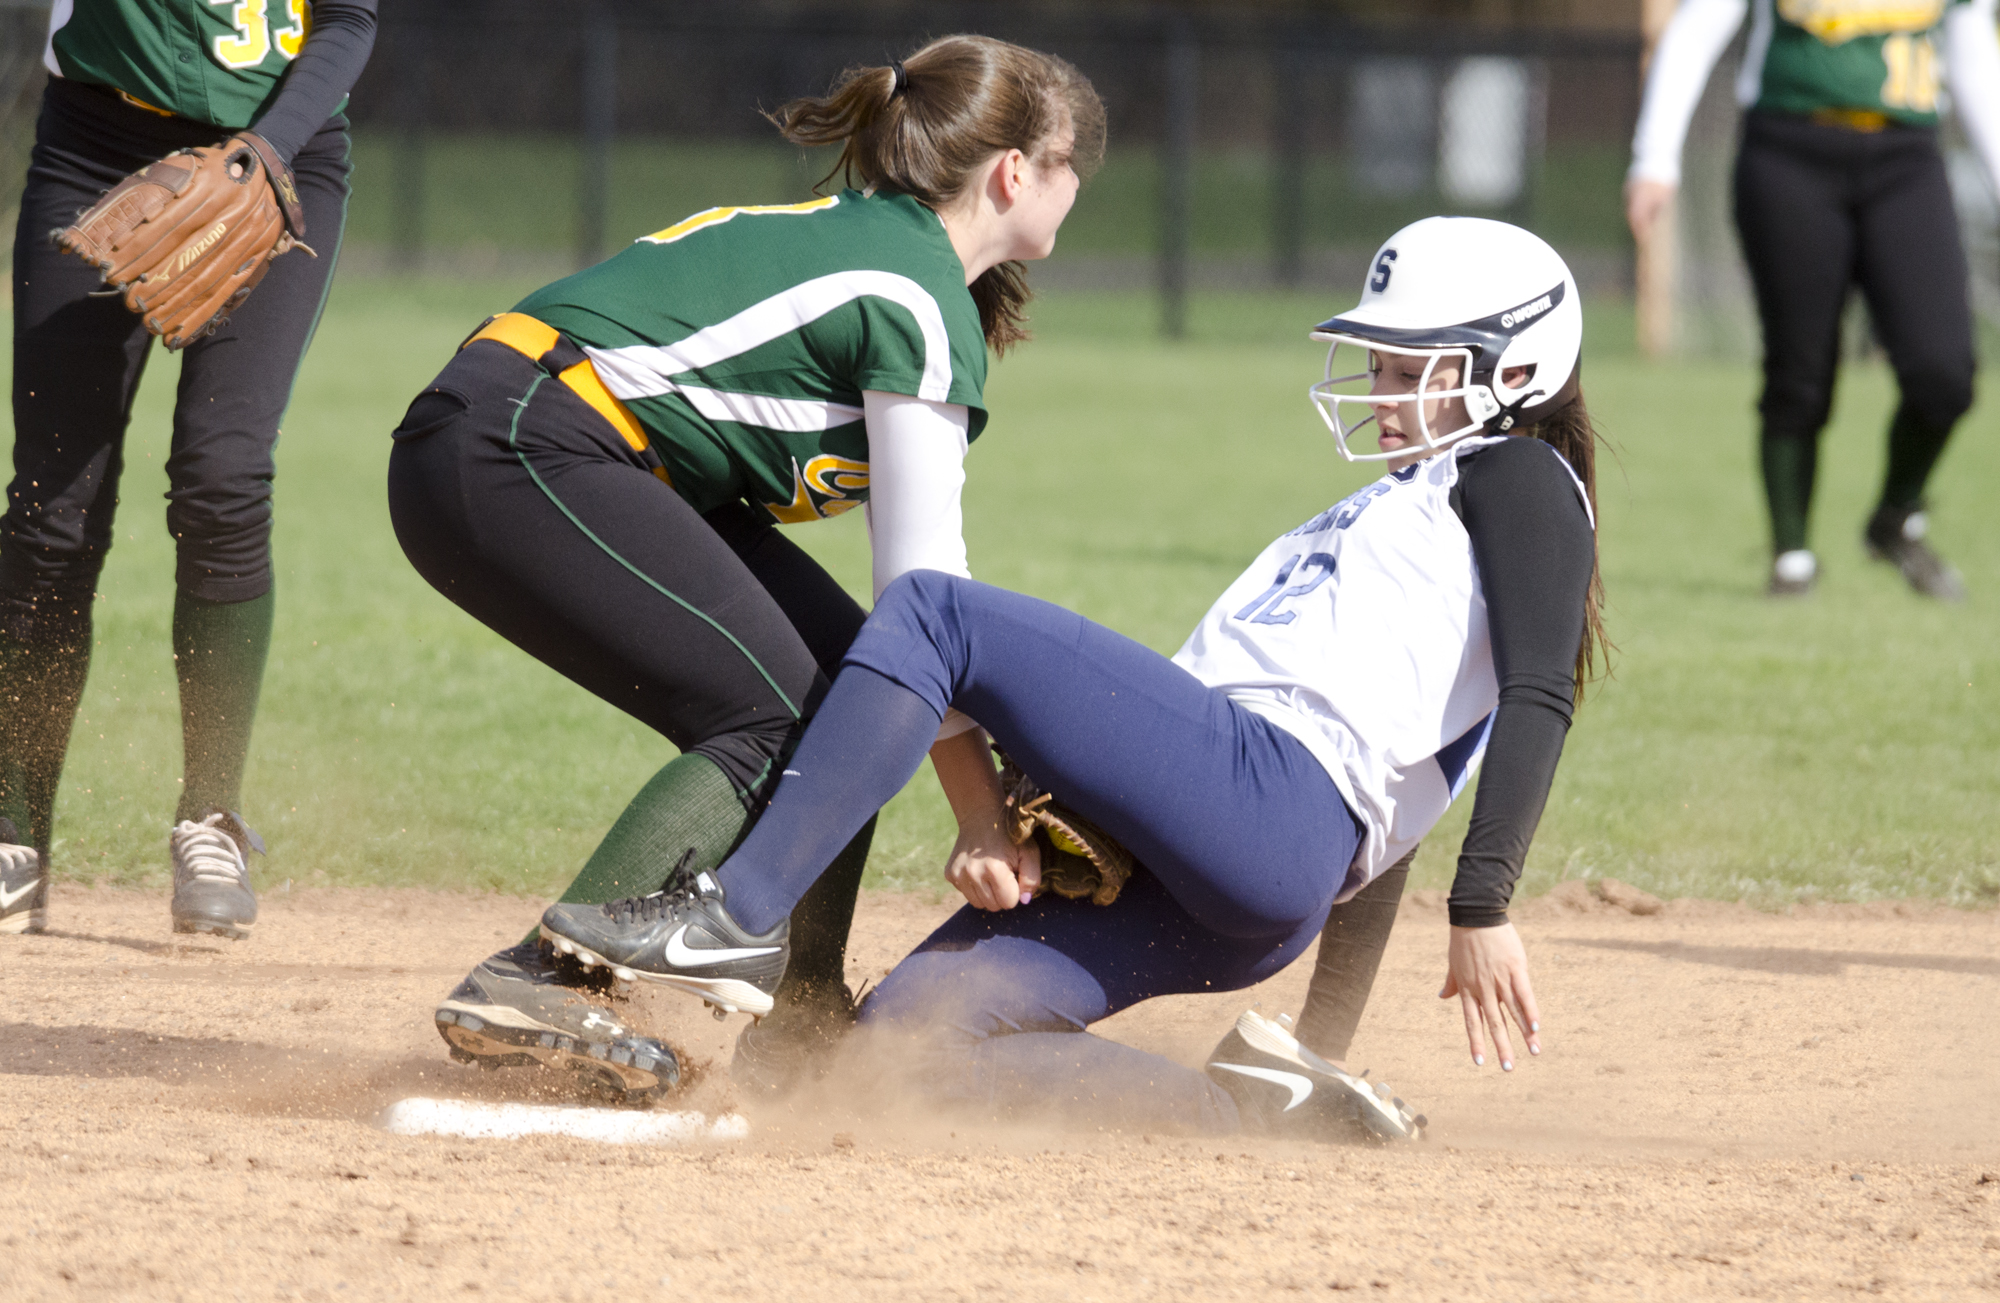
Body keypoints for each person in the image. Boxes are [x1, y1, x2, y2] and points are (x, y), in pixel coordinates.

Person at [536, 216, 1604, 1138]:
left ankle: (729, 919)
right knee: (903, 1045)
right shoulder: (1397, 508)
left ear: (1516, 372)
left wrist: (1483, 903)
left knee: (933, 613)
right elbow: (1385, 804)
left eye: (1415, 368)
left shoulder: (1519, 473)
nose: (1382, 388)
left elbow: (1537, 695)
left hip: (1264, 806)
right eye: (1380, 362)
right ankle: (1251, 1113)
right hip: (1243, 857)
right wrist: (1315, 1047)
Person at [389, 36, 1107, 1101]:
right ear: (1014, 173)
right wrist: (978, 809)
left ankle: (803, 1026)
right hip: (523, 443)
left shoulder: (881, 246)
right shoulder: (916, 294)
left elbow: (897, 650)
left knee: (852, 688)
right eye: (1069, 161)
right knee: (780, 713)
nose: (1078, 184)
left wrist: (972, 784)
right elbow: (926, 599)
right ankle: (541, 980)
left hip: (527, 439)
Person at [0, 0, 377, 938]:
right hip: (95, 144)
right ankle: (12, 830)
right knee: (52, 503)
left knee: (224, 476)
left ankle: (211, 819)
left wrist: (265, 151)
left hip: (278, 157)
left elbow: (348, 18)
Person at [1627, 0, 2000, 599]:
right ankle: (1792, 556)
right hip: (1790, 152)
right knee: (1799, 369)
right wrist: (1654, 158)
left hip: (1906, 158)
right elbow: (1695, 31)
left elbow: (1975, 62)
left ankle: (1896, 517)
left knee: (1945, 372)